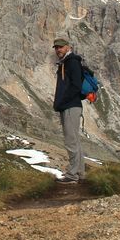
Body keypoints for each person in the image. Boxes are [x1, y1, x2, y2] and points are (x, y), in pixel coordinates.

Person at [52, 37, 85, 182]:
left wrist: (62, 101)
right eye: (56, 48)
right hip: (69, 106)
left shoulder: (72, 62)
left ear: (67, 47)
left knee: (71, 141)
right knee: (75, 141)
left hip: (71, 106)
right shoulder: (65, 63)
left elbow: (76, 86)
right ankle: (80, 174)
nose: (58, 50)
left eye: (60, 47)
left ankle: (72, 175)